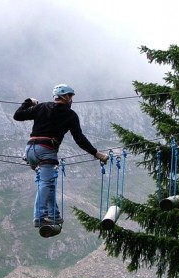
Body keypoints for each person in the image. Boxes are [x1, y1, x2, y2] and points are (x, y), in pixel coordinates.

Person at [14, 84, 109, 228]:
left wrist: (28, 102)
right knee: (45, 183)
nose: (71, 100)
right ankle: (39, 217)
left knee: (48, 182)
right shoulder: (70, 115)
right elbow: (80, 139)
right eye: (70, 96)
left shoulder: (41, 107)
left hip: (30, 151)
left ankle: (54, 215)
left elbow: (18, 116)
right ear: (65, 97)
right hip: (46, 151)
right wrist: (96, 153)